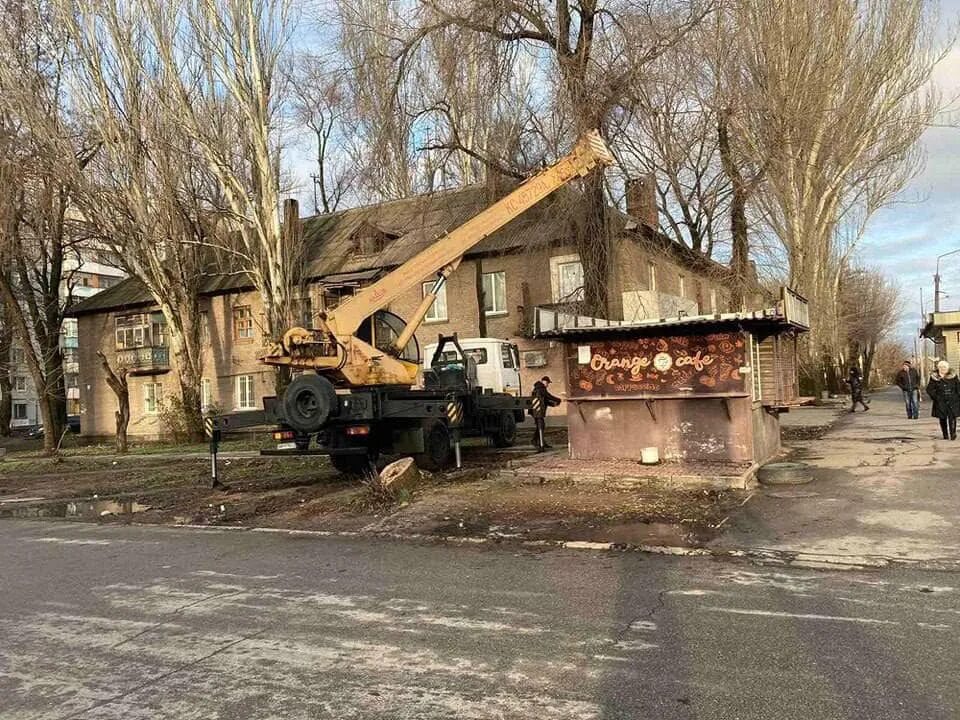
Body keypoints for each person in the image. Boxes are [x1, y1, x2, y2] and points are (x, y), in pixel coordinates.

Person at [926, 360, 960, 440]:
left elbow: (958, 387)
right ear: (938, 368)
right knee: (943, 418)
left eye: (945, 367)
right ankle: (945, 434)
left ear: (948, 368)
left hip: (953, 400)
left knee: (953, 417)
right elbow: (929, 389)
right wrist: (936, 397)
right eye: (941, 367)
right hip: (940, 401)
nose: (943, 369)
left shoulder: (953, 376)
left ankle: (953, 434)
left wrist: (958, 396)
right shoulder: (934, 377)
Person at [530, 376, 561, 452]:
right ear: (543, 381)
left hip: (536, 411)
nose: (547, 385)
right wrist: (558, 400)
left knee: (540, 427)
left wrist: (553, 404)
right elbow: (548, 396)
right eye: (547, 383)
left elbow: (545, 400)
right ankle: (538, 443)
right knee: (541, 426)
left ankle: (540, 442)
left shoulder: (539, 388)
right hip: (537, 411)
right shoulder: (540, 388)